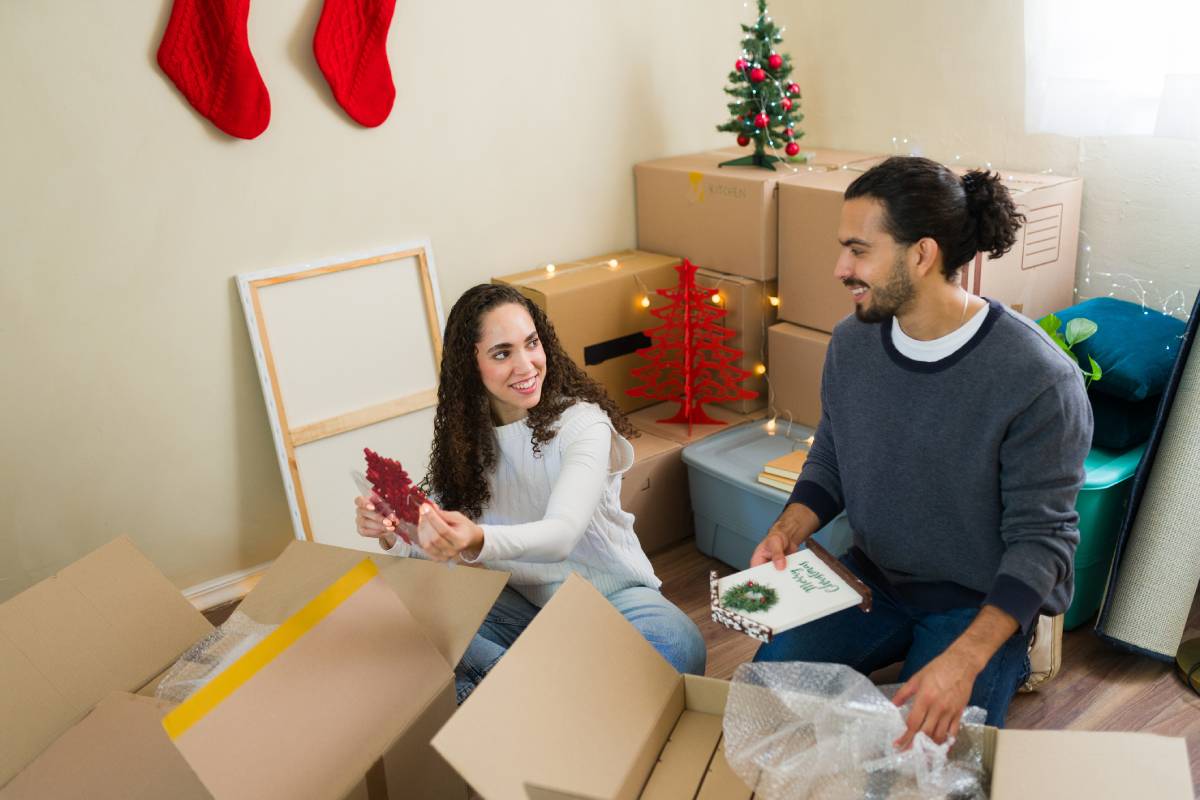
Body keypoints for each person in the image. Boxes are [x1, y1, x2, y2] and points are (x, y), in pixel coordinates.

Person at [751, 156, 1092, 748]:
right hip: (873, 580)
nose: (840, 268)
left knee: (920, 766)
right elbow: (833, 452)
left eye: (859, 250)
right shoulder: (853, 343)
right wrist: (789, 528)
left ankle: (999, 659)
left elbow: (1044, 542)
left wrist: (964, 661)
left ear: (921, 254)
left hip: (977, 604)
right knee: (763, 692)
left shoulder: (1037, 381)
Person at [355, 283, 706, 700]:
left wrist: (478, 538)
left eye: (531, 344)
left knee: (677, 642)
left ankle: (508, 689)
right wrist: (392, 530)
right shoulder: (466, 444)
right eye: (502, 353)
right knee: (405, 605)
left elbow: (561, 534)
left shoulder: (583, 426)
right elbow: (437, 546)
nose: (526, 365)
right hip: (521, 610)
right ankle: (534, 689)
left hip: (615, 604)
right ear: (472, 365)